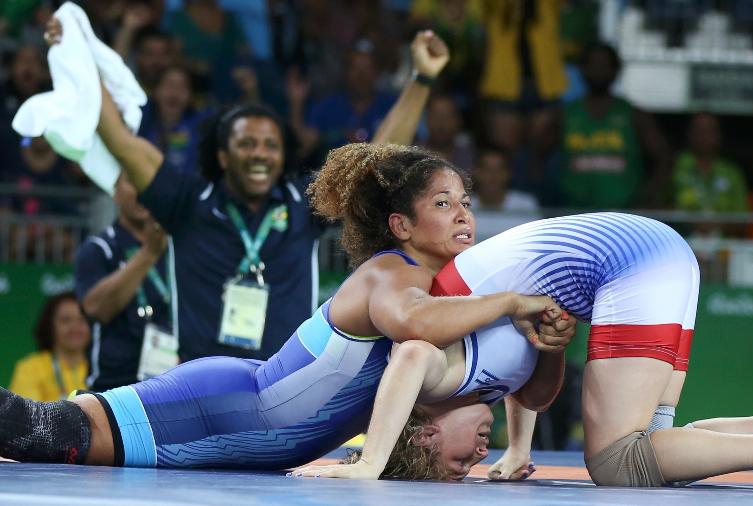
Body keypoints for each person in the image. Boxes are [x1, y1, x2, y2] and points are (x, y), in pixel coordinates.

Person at [0, 142, 569, 470]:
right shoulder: (391, 274)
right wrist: (513, 299)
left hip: (246, 435)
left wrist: (546, 344)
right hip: (220, 406)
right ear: (401, 225)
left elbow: (528, 391)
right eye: (443, 204)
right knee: (45, 434)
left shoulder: (456, 300)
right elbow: (412, 324)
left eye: (465, 203)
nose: (464, 215)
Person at [294, 211, 753, 492]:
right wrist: (518, 448)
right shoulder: (478, 364)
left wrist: (370, 460)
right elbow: (534, 389)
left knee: (615, 464)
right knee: (652, 458)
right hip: (653, 252)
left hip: (630, 264)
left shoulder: (434, 366)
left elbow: (406, 360)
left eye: (457, 461)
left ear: (420, 431)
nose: (475, 456)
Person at [45, 17, 456, 364]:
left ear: (282, 155)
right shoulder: (188, 201)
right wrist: (75, 55)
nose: (260, 153)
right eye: (246, 144)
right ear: (223, 156)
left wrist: (421, 78)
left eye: (270, 145)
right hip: (200, 382)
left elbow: (375, 158)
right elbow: (119, 139)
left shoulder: (302, 202)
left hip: (285, 382)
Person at [74, 176, 171, 391]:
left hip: (172, 386)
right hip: (113, 390)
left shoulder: (179, 248)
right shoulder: (100, 248)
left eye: (147, 182)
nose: (141, 192)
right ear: (115, 192)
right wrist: (149, 252)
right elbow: (96, 309)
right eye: (132, 181)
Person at [559, 42, 671, 210]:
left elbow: (665, 158)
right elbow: (537, 158)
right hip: (573, 215)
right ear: (582, 69)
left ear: (616, 70)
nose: (598, 70)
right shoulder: (563, 115)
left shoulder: (635, 115)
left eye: (605, 65)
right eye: (593, 64)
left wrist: (647, 195)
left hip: (621, 216)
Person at [9, 291, 90, 402]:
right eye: (66, 320)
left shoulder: (103, 367)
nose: (75, 327)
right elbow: (26, 415)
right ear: (50, 326)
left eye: (82, 320)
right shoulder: (30, 368)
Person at [673, 112, 749, 213]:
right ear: (689, 133)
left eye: (709, 130)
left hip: (722, 229)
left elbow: (742, 216)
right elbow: (657, 205)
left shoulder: (732, 173)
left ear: (719, 135)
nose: (703, 135)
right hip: (680, 229)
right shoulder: (674, 167)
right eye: (698, 129)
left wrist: (718, 224)